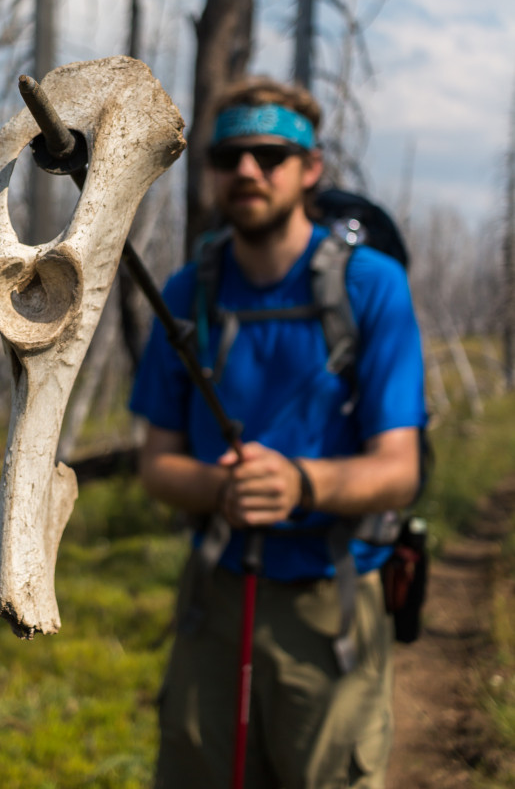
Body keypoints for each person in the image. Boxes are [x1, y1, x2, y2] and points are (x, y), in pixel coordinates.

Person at [129, 75, 427, 789]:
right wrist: (223, 488)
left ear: (311, 169)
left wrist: (299, 483)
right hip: (213, 598)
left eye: (270, 154)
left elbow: (397, 468)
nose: (247, 171)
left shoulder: (371, 286)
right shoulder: (184, 295)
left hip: (332, 601)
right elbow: (156, 464)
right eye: (229, 156)